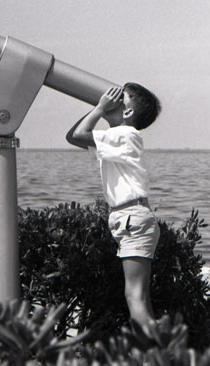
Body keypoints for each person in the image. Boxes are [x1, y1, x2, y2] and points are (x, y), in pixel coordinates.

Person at [65, 83, 161, 338]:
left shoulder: (125, 134)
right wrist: (98, 107)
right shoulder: (116, 137)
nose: (111, 98)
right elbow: (72, 136)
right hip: (130, 218)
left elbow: (79, 135)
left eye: (120, 98)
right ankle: (154, 354)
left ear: (128, 112)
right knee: (140, 299)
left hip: (132, 219)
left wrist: (99, 108)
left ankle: (153, 355)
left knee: (135, 297)